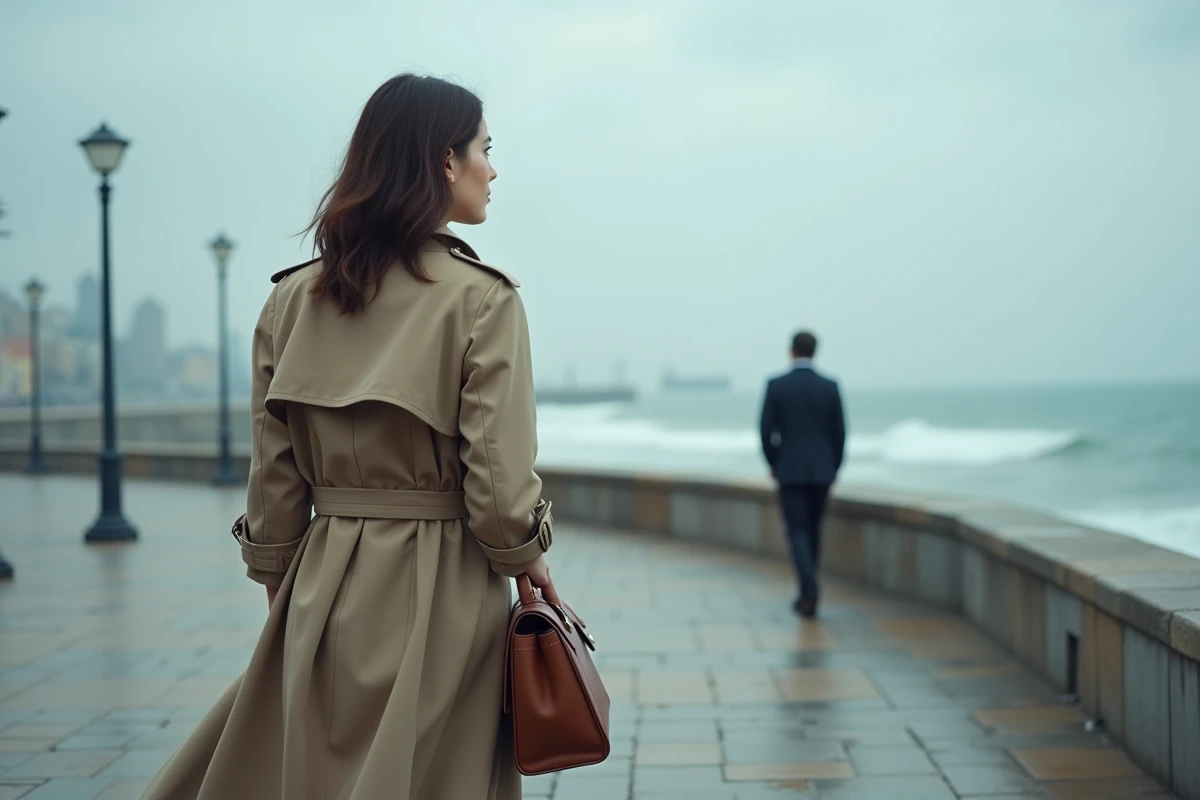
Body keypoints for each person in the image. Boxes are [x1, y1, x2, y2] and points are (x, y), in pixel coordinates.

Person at [142, 74, 554, 800]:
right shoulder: (484, 299)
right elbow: (495, 488)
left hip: (323, 582)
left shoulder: (291, 299)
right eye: (486, 149)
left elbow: (273, 476)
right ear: (445, 162)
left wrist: (278, 575)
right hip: (445, 587)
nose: (494, 169)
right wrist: (529, 565)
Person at [759, 330, 846, 618]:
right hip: (822, 471)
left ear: (791, 351)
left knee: (797, 532)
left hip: (790, 470)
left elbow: (765, 431)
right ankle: (808, 590)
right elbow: (839, 434)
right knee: (813, 531)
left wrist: (774, 463)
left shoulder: (777, 385)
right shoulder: (830, 386)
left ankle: (808, 591)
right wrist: (833, 467)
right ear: (814, 351)